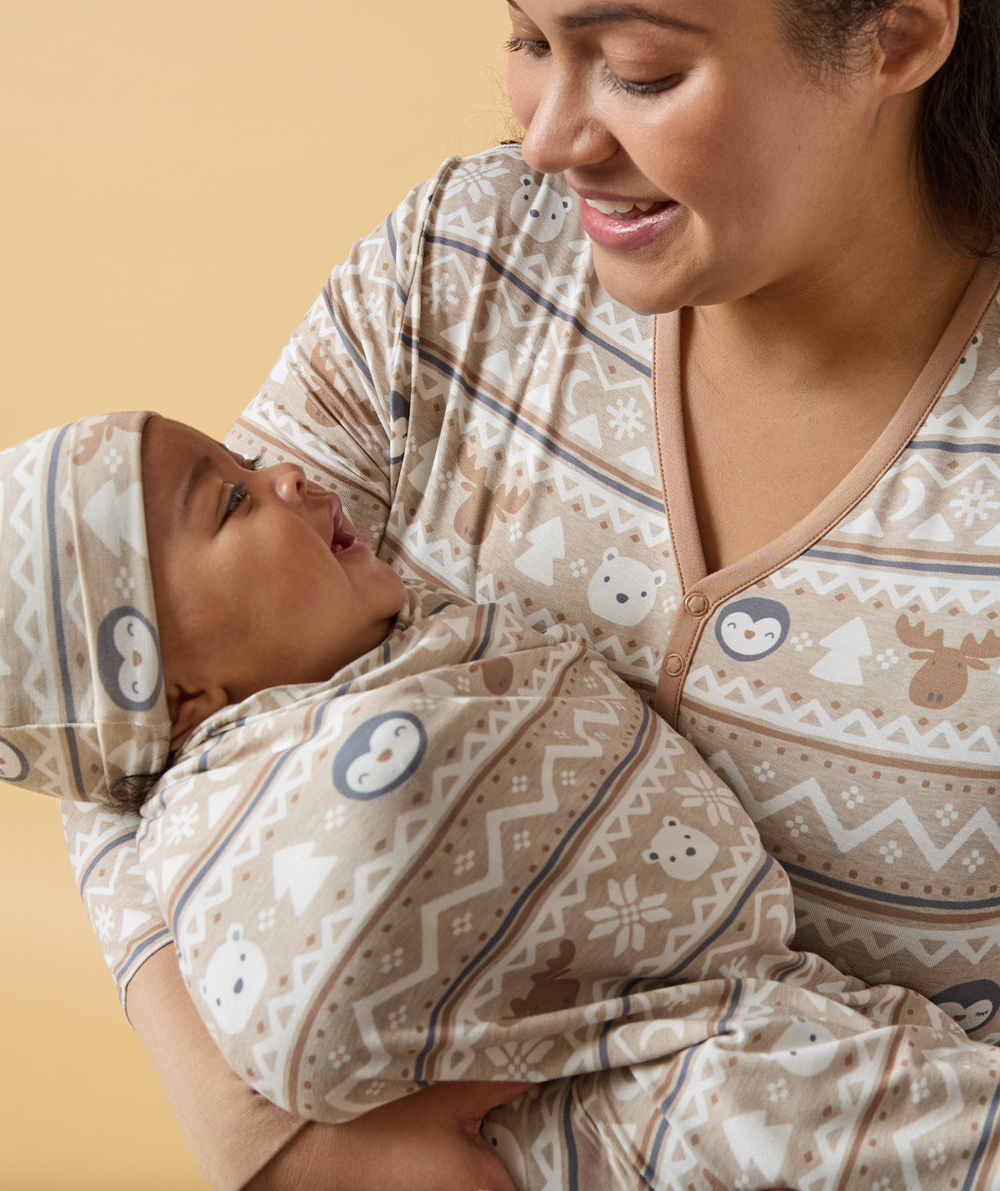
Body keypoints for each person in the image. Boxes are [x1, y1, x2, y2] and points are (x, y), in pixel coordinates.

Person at [52, 0, 1000, 1186]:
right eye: (527, 40)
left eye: (642, 70)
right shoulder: (456, 266)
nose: (551, 136)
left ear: (906, 31)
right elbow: (101, 671)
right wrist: (274, 1141)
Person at [3, 410, 999, 1191]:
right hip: (676, 1103)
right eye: (231, 501)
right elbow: (290, 986)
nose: (289, 472)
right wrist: (259, 1135)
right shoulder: (266, 796)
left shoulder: (323, 650)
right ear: (176, 696)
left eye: (246, 464)